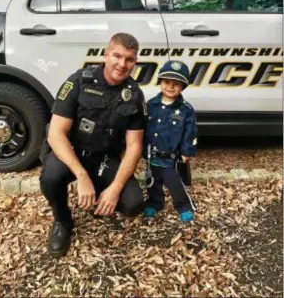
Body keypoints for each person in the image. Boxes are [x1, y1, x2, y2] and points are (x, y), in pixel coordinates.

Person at [40, 33, 146, 257]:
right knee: (50, 178)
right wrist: (81, 175)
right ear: (106, 55)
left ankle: (100, 196)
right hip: (71, 152)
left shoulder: (134, 95)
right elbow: (56, 133)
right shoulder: (79, 81)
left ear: (134, 62)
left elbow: (134, 146)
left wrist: (114, 189)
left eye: (129, 59)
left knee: (133, 203)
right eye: (117, 56)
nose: (122, 64)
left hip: (105, 157)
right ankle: (62, 220)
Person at [143, 60, 197, 221]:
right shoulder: (151, 105)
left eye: (176, 84)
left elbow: (190, 132)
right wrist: (141, 149)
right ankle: (155, 202)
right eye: (166, 82)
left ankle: (184, 205)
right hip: (152, 156)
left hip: (171, 158)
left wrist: (187, 152)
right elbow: (142, 129)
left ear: (183, 87)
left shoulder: (186, 109)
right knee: (152, 182)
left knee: (175, 184)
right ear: (160, 82)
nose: (170, 87)